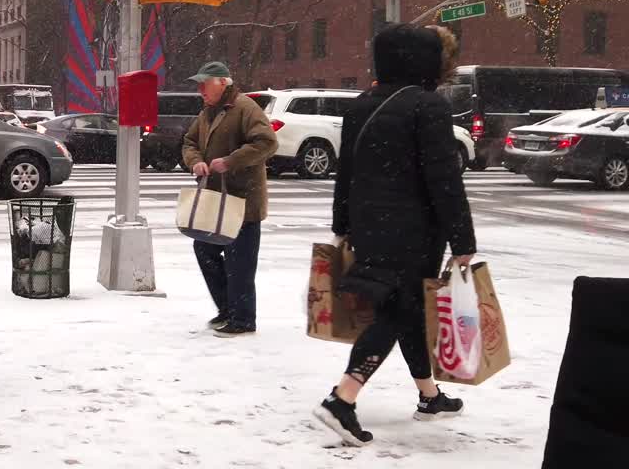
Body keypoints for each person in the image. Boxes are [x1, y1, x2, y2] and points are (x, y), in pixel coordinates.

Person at [313, 24, 477, 446]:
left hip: (371, 227)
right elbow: (445, 181)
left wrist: (342, 225)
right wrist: (463, 242)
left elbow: (345, 173)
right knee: (397, 311)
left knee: (407, 309)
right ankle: (343, 398)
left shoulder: (362, 104)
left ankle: (429, 395)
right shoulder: (428, 107)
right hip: (415, 231)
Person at [181, 61, 278, 338]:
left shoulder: (245, 108)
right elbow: (189, 142)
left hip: (243, 202)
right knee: (205, 249)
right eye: (198, 84)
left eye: (205, 84)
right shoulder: (208, 112)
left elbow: (267, 142)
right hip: (217, 201)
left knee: (240, 263)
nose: (201, 90)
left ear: (223, 82)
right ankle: (228, 309)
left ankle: (243, 319)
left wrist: (231, 161)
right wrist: (196, 162)